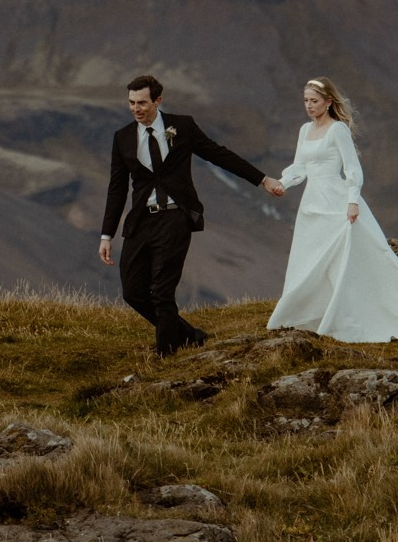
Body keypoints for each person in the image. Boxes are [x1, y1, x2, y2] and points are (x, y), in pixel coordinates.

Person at [267, 77, 398, 341]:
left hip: (337, 203)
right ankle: (311, 312)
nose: (309, 106)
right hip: (311, 205)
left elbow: (352, 168)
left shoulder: (337, 130)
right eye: (306, 101)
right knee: (310, 259)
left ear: (328, 102)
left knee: (345, 258)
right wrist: (283, 183)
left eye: (314, 101)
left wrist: (353, 201)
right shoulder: (303, 130)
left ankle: (352, 314)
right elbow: (300, 168)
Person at [100, 74, 285, 355]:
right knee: (133, 292)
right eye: (131, 103)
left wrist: (262, 179)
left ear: (158, 101)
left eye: (142, 103)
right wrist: (107, 234)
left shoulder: (182, 127)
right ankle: (189, 335)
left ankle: (165, 356)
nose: (136, 109)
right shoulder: (122, 137)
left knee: (162, 292)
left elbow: (218, 154)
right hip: (140, 221)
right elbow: (116, 189)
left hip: (175, 217)